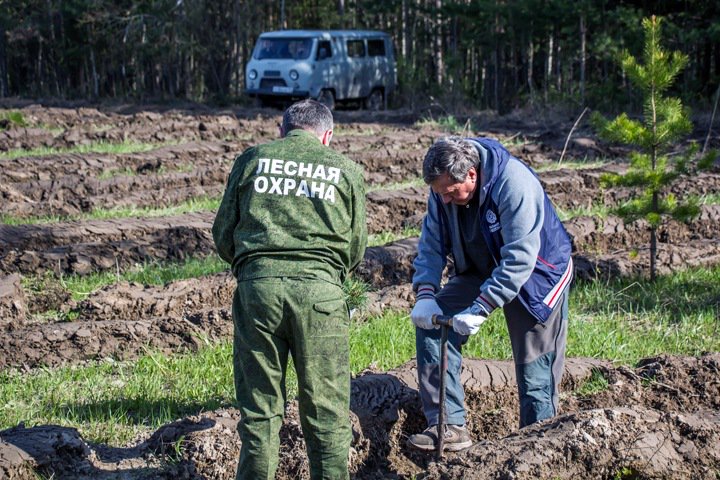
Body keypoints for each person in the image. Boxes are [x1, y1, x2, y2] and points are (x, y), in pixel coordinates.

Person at [212, 99, 367, 479]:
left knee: (260, 411)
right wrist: (327, 276)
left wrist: (253, 269)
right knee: (327, 411)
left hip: (258, 292)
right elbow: (356, 246)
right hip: (321, 296)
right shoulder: (346, 170)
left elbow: (222, 232)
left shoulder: (252, 159)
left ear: (282, 131)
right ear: (327, 135)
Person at [407, 136, 573, 452]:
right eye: (438, 192)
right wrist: (426, 292)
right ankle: (448, 424)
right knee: (432, 325)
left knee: (534, 371)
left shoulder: (514, 184)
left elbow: (520, 259)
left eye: (450, 192)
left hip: (536, 274)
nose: (443, 199)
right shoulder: (442, 193)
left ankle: (536, 447)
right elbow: (431, 244)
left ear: (471, 174)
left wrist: (482, 307)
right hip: (480, 266)